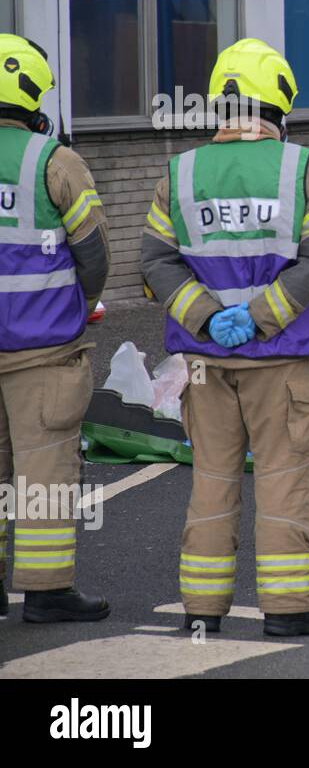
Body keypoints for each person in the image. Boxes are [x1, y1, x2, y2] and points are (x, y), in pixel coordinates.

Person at [140, 38, 309, 636]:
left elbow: (154, 261)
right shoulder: (299, 168)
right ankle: (285, 611)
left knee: (213, 479)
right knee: (282, 479)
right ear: (279, 103)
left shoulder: (180, 171)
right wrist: (260, 316)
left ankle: (202, 611)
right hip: (276, 361)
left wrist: (205, 317)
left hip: (202, 362)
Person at [0, 34, 111, 622]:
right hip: (40, 351)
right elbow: (93, 255)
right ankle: (45, 593)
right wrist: (81, 303)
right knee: (42, 469)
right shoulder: (54, 161)